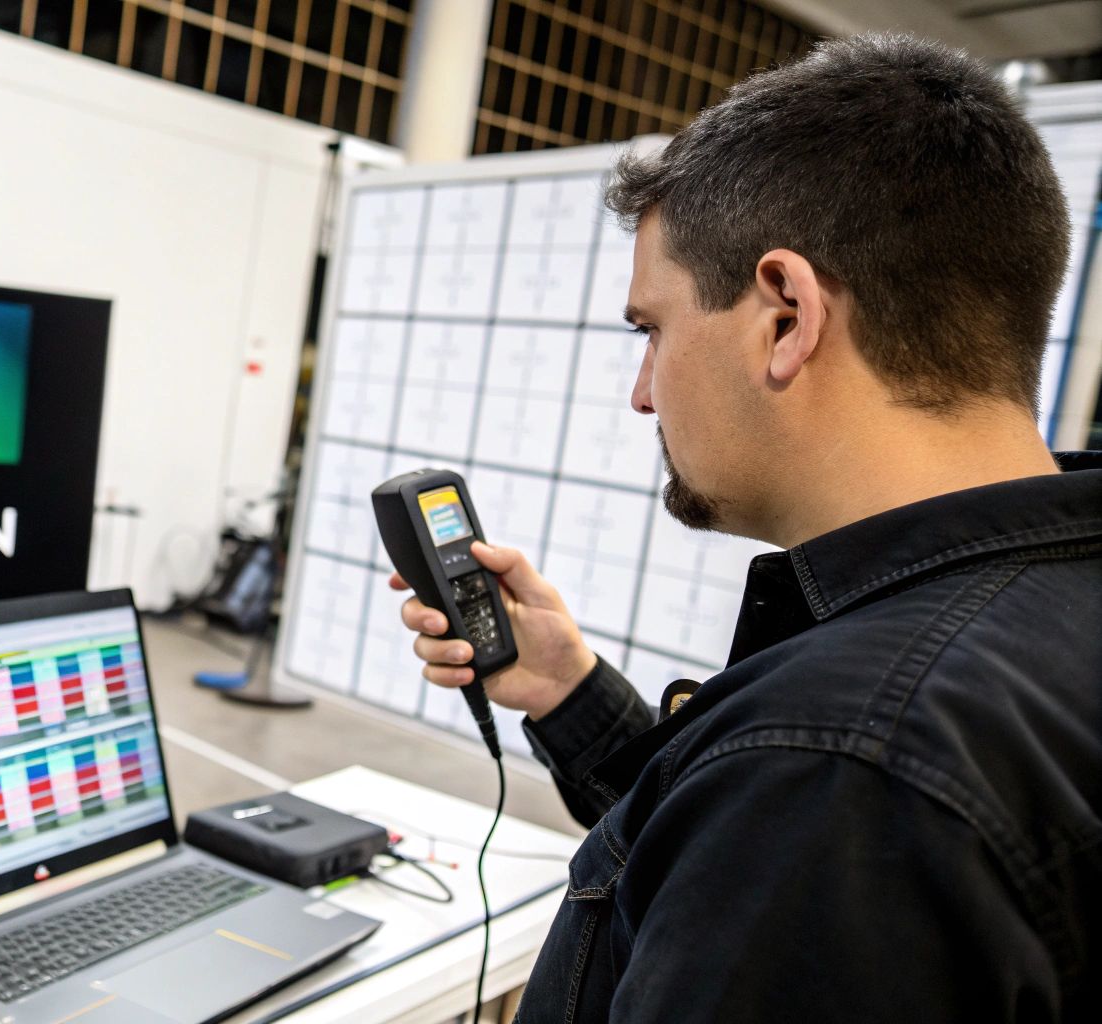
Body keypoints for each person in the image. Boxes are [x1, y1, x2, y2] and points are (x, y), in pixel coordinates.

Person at [393, 34, 1100, 1022]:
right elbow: (727, 852)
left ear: (783, 316)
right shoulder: (1053, 606)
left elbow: (793, 822)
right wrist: (567, 693)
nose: (643, 395)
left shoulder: (838, 770)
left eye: (652, 330)